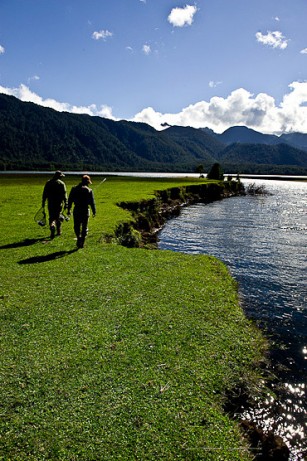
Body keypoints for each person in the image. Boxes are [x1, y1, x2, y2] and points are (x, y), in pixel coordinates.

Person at [67, 175, 96, 248]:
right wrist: (94, 211)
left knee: (76, 225)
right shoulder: (89, 190)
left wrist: (68, 209)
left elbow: (70, 200)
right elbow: (92, 202)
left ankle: (78, 237)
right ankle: (82, 241)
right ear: (88, 182)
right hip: (85, 210)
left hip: (76, 209)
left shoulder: (74, 189)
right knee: (84, 226)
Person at [42, 170, 68, 238]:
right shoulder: (61, 184)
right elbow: (64, 194)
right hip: (59, 203)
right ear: (59, 176)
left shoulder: (48, 182)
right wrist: (66, 203)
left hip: (50, 203)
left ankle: (52, 226)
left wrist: (43, 202)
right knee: (58, 216)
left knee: (51, 216)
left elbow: (45, 193)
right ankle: (58, 231)